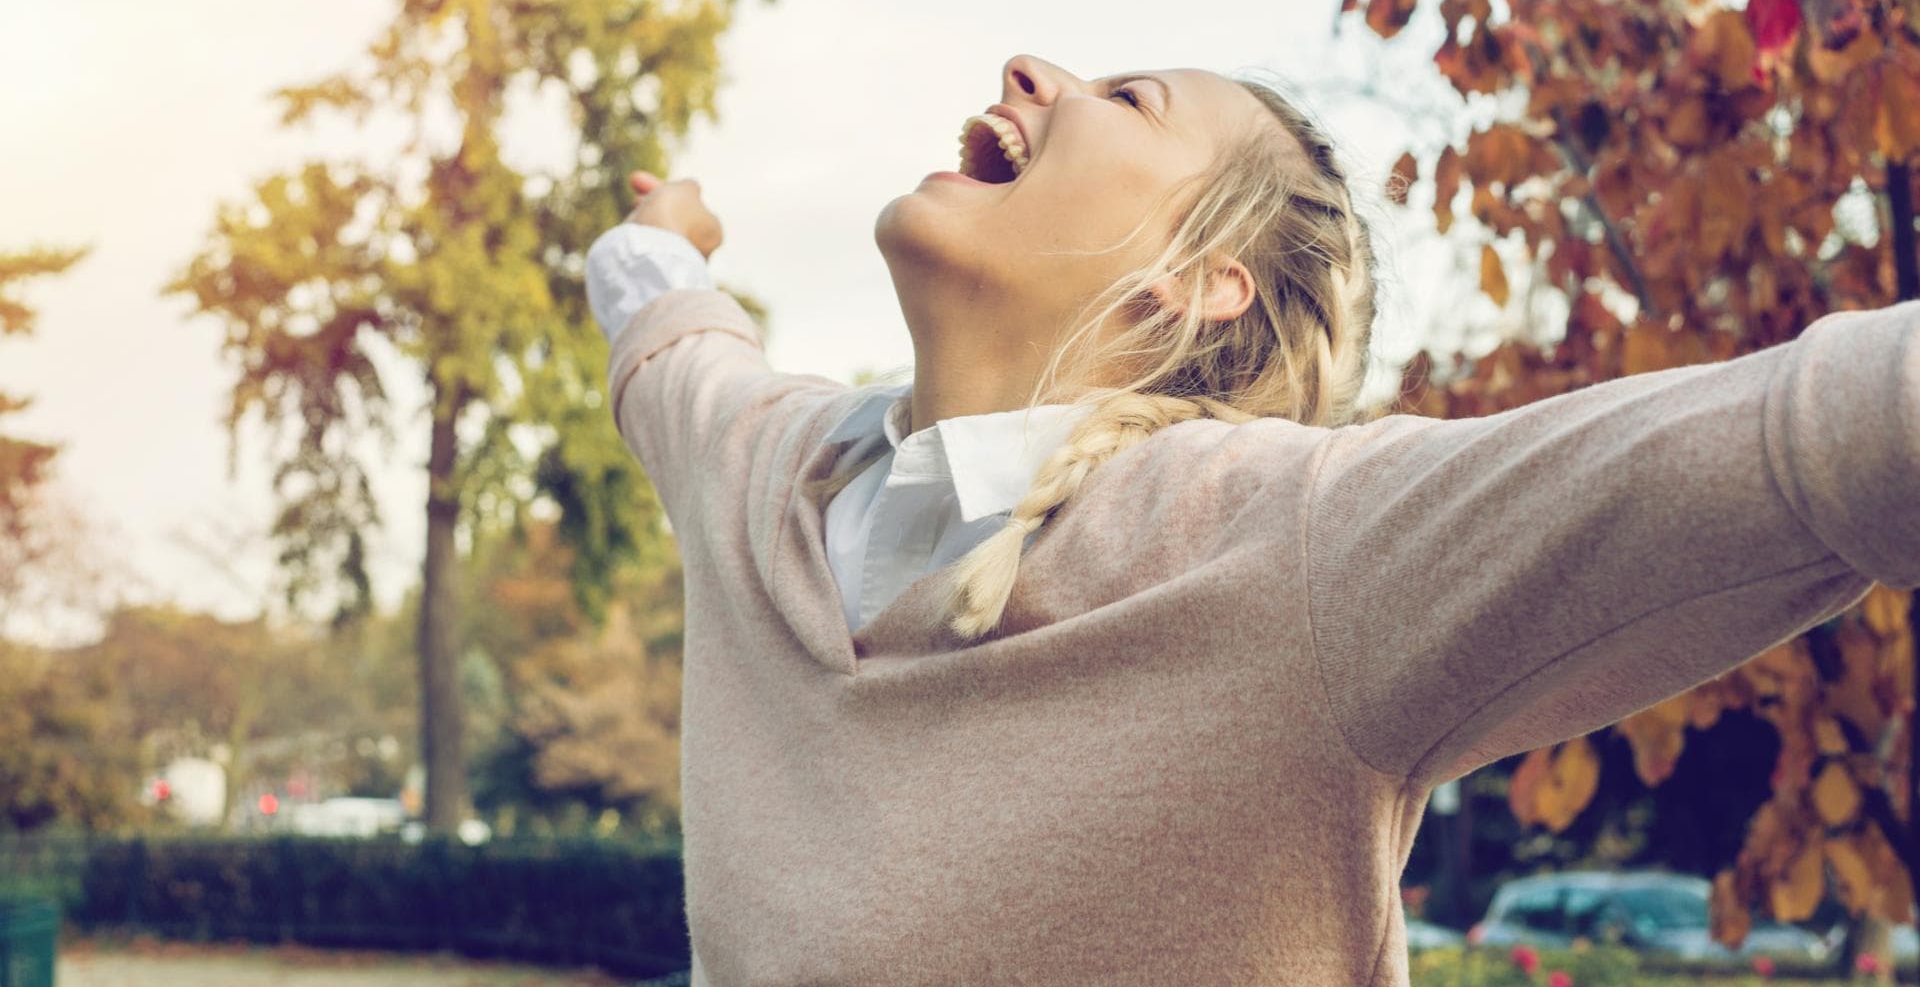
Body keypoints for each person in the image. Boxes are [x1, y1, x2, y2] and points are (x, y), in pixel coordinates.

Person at [584, 54, 1920, 985]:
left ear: (1195, 283)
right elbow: (664, 331)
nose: (1030, 70)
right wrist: (669, 236)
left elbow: (1803, 442)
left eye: (1127, 99)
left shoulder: (1296, 554)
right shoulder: (765, 479)